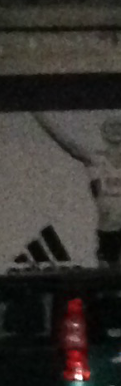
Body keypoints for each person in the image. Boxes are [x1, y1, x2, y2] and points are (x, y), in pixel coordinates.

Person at [33, 111, 121, 269]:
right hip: (108, 230)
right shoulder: (96, 160)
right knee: (107, 273)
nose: (116, 132)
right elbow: (67, 143)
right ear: (105, 135)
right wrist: (39, 116)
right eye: (112, 128)